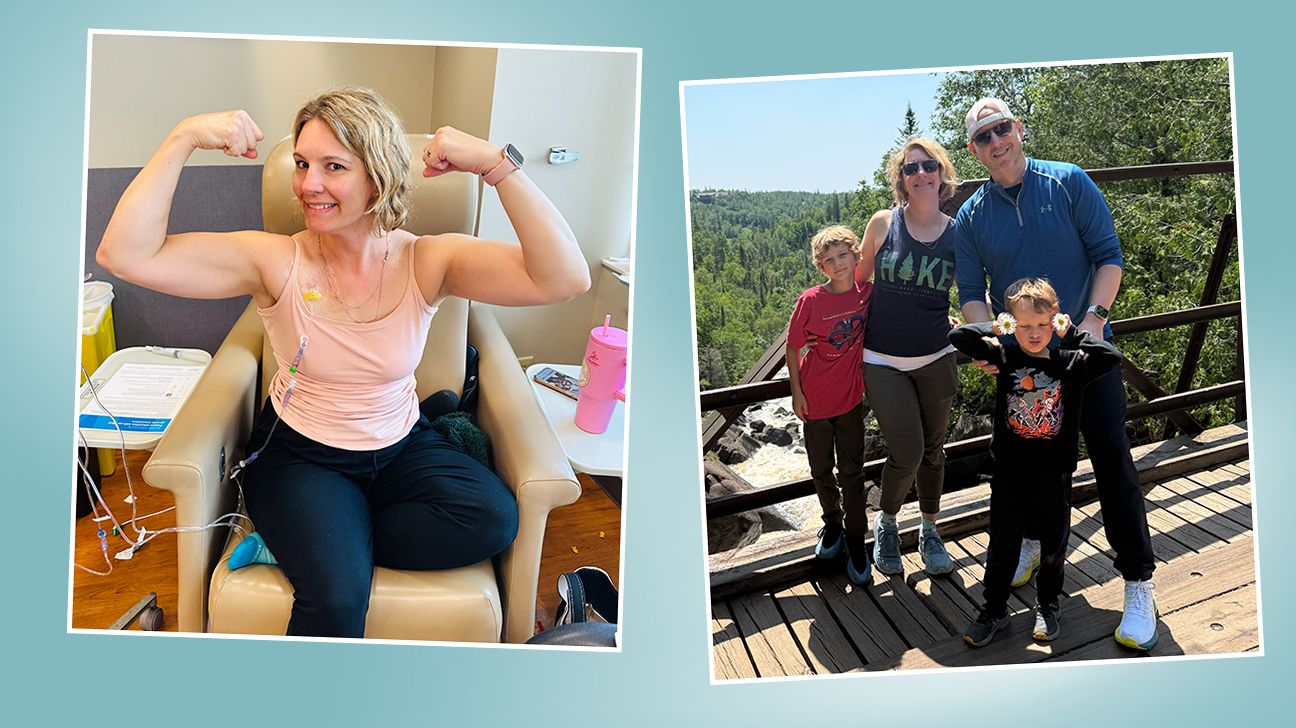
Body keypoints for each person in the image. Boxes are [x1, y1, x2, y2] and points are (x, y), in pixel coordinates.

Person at [96, 87, 590, 638]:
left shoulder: (427, 259)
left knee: (493, 519)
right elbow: (125, 254)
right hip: (301, 454)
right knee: (335, 601)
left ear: (376, 176)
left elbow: (564, 277)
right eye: (303, 164)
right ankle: (320, 551)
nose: (309, 184)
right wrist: (182, 136)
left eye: (333, 166)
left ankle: (306, 543)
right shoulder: (276, 259)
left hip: (400, 442)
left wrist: (498, 166)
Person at [954, 97, 1159, 650]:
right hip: (1025, 371)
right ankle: (1027, 541)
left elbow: (1109, 255)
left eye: (1002, 129)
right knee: (1022, 467)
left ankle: (1139, 582)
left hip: (1084, 361)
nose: (996, 143)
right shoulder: (972, 216)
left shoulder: (1067, 182)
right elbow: (972, 296)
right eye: (982, 137)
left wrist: (1092, 321)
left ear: (1018, 129)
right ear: (973, 150)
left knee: (1113, 461)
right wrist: (993, 337)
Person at [949, 278, 1122, 646]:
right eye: (1023, 325)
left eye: (1042, 325)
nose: (1033, 333)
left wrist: (1072, 332)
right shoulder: (1005, 357)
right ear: (1012, 324)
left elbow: (1112, 357)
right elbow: (960, 337)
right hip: (1009, 472)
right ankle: (993, 609)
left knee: (1053, 545)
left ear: (1055, 322)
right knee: (1003, 544)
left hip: (1053, 473)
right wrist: (995, 327)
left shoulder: (1071, 364)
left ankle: (1048, 604)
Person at [854, 137, 960, 577]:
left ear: (941, 173)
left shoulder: (958, 234)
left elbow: (972, 288)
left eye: (928, 165)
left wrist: (987, 325)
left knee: (934, 450)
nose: (920, 173)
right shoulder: (883, 224)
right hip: (882, 358)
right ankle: (888, 521)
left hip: (936, 354)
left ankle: (930, 529)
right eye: (910, 168)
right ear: (901, 180)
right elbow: (858, 284)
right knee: (908, 450)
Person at [785, 225, 873, 584]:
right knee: (822, 470)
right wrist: (796, 392)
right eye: (829, 260)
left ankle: (857, 539)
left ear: (856, 256)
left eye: (843, 256)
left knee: (852, 473)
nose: (838, 264)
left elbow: (902, 316)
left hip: (851, 400)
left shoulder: (867, 294)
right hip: (815, 400)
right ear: (821, 267)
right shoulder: (810, 301)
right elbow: (793, 347)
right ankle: (833, 526)